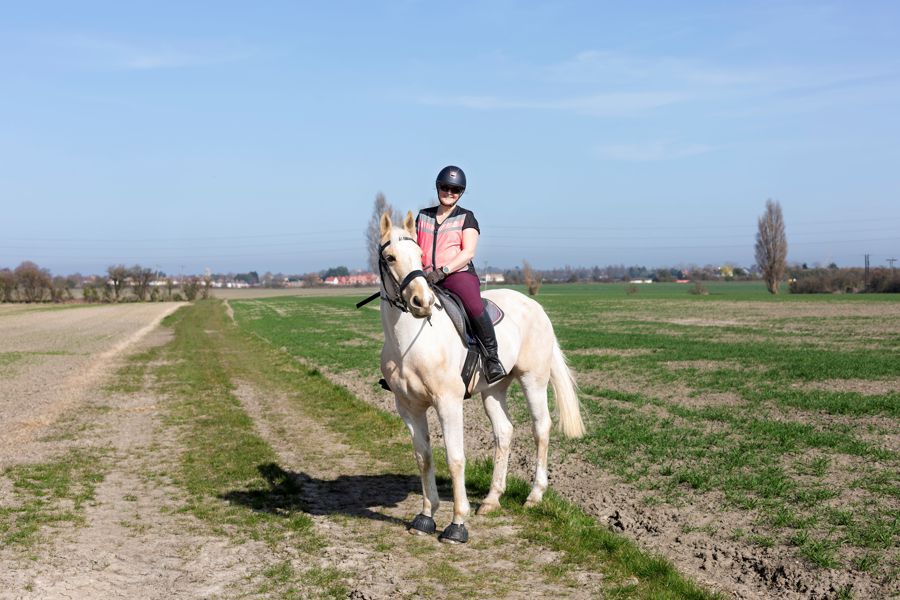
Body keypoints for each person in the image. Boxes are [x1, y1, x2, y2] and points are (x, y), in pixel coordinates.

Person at [416, 165, 507, 384]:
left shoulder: (466, 217)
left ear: (461, 193)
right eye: (445, 188)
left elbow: (468, 252)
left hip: (457, 275)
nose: (449, 193)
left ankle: (492, 359)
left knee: (474, 305)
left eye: (455, 190)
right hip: (426, 276)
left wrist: (444, 271)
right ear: (438, 188)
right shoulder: (422, 216)